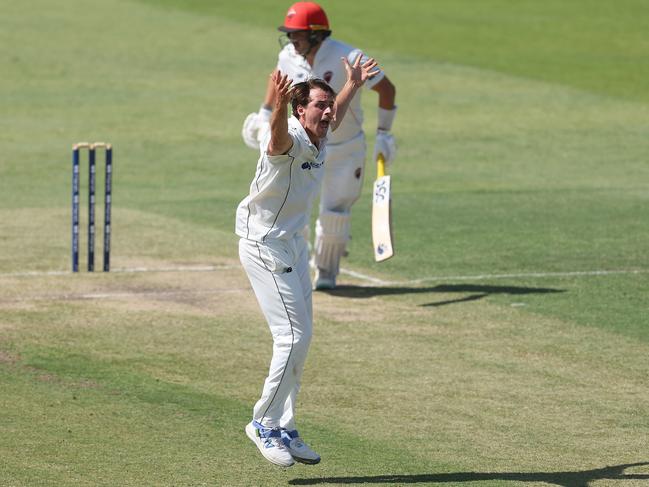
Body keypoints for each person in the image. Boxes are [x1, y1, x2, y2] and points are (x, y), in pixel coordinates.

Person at [236, 56, 379, 467]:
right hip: (264, 244)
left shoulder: (320, 133)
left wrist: (352, 84)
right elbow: (276, 139)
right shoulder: (290, 138)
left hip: (293, 244)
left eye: (329, 104)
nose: (328, 111)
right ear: (301, 109)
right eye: (320, 104)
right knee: (291, 337)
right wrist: (278, 106)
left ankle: (284, 425)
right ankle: (262, 422)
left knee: (304, 337)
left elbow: (335, 117)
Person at [242, 1, 397, 290]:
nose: (292, 40)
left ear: (316, 34)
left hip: (345, 147)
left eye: (297, 34)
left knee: (334, 213)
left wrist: (384, 134)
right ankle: (294, 264)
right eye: (289, 34)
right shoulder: (288, 55)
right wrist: (264, 114)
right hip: (303, 149)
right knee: (293, 208)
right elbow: (278, 80)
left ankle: (326, 272)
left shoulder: (349, 56)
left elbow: (387, 89)